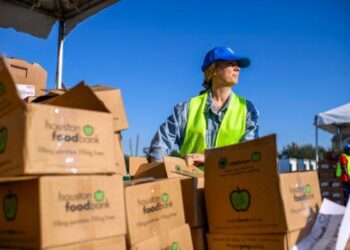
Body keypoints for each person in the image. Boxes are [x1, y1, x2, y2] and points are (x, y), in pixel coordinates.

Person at [148, 46, 259, 166]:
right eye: (231, 63)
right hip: (191, 183)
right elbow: (159, 147)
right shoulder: (186, 110)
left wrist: (210, 158)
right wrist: (166, 176)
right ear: (213, 70)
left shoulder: (247, 109)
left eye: (237, 65)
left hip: (232, 184)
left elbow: (250, 153)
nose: (237, 68)